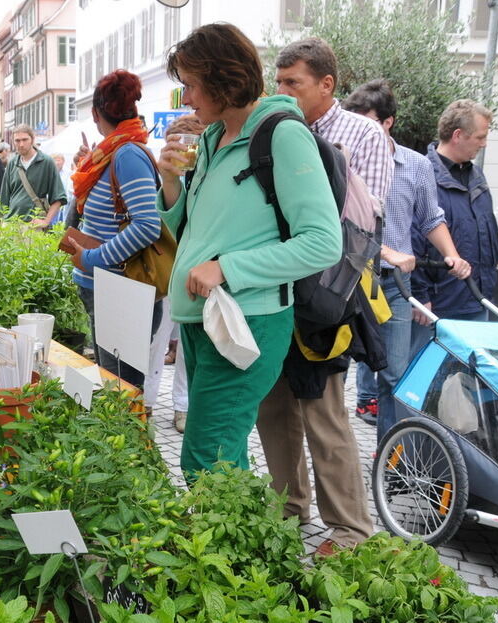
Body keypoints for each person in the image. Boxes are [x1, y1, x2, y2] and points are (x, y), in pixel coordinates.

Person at [157, 25, 341, 478]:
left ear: (225, 78)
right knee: (224, 457)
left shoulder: (281, 134)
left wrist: (227, 268)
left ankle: (231, 548)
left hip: (247, 321)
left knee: (206, 457)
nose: (186, 99)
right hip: (205, 319)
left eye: (192, 85)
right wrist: (170, 184)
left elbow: (323, 242)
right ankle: (255, 545)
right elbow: (198, 231)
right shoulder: (210, 137)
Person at [255, 36, 394, 557]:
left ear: (326, 84)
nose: (282, 90)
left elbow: (368, 217)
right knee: (274, 406)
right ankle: (289, 508)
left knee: (323, 411)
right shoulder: (270, 131)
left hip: (328, 294)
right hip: (276, 287)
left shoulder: (358, 132)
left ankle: (351, 529)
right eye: (279, 81)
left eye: (293, 82)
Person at [342, 80, 470, 440]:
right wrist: (384, 251)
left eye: (366, 124)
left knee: (395, 375)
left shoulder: (414, 165)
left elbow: (431, 218)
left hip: (393, 285)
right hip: (347, 280)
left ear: (388, 123)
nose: (358, 133)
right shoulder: (341, 162)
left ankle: (392, 461)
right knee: (332, 374)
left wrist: (452, 256)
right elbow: (338, 225)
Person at [66, 69, 165, 390]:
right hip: (109, 288)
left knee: (120, 390)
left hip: (121, 289)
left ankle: (134, 439)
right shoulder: (110, 152)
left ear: (96, 113)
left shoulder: (127, 154)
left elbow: (148, 225)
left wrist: (93, 258)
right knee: (114, 383)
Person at [411, 99, 498, 352]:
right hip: (438, 305)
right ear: (458, 135)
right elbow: (412, 238)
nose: (483, 144)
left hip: (477, 298)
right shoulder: (423, 174)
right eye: (480, 137)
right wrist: (420, 296)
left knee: (467, 383)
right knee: (425, 383)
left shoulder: (477, 176)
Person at [144, 113, 207, 433]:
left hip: (198, 270)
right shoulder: (165, 173)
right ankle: (148, 402)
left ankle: (182, 406)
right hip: (167, 270)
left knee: (186, 344)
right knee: (158, 340)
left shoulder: (209, 173)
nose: (183, 149)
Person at [0, 124, 67, 227]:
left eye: (25, 139)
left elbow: (58, 197)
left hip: (34, 226)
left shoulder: (46, 162)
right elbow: (4, 198)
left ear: (32, 139)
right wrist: (3, 222)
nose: (21, 144)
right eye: (17, 140)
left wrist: (46, 221)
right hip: (11, 225)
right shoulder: (12, 163)